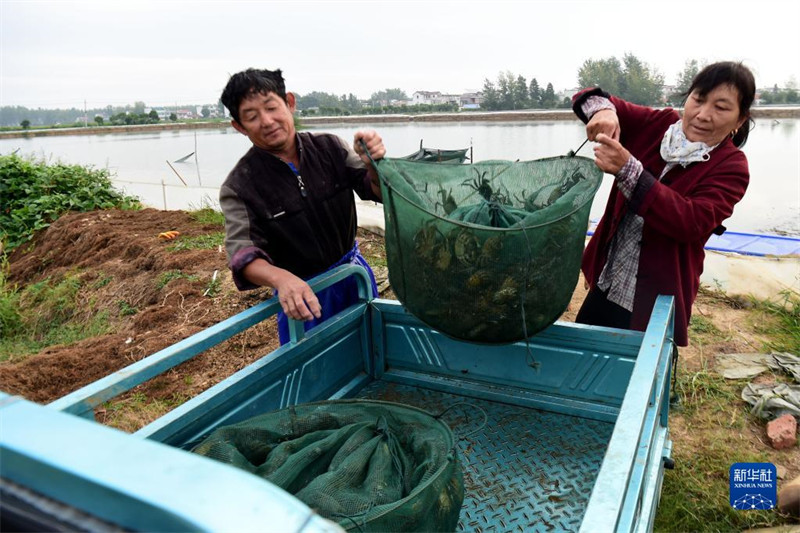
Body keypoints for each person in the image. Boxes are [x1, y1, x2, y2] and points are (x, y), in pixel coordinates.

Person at [571, 61, 756, 346]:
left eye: (721, 107)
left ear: (740, 120)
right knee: (583, 356)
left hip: (657, 292)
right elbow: (589, 96)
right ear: (688, 98)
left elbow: (690, 221)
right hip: (608, 277)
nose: (703, 115)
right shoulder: (658, 125)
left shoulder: (731, 166)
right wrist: (604, 111)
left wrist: (628, 170)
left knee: (644, 374)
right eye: (699, 99)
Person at [218, 68, 386, 344]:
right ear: (239, 126)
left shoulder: (330, 148)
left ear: (290, 103)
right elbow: (243, 256)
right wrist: (282, 279)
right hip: (304, 296)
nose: (267, 121)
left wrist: (373, 163)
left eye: (272, 107)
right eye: (252, 116)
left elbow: (375, 190)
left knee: (371, 350)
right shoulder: (239, 186)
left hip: (352, 277)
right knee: (318, 374)